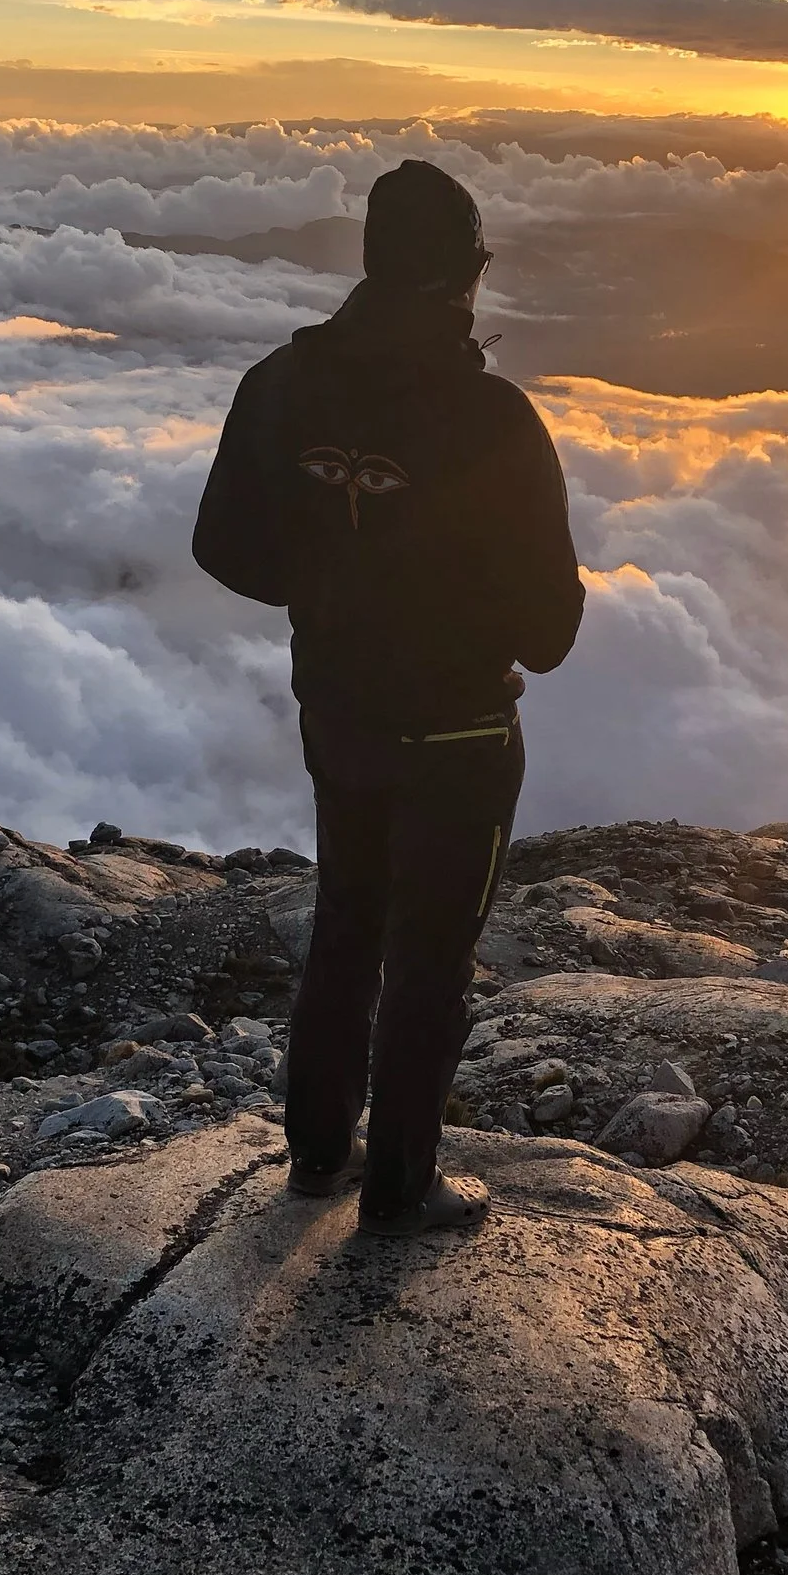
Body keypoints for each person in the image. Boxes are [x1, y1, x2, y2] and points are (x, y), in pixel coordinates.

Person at [193, 159, 583, 1238]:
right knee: (430, 959)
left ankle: (318, 1154)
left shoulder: (280, 384)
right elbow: (548, 634)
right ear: (467, 273)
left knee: (345, 927)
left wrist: (329, 589)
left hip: (337, 712)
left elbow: (219, 545)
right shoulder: (492, 418)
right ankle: (402, 1187)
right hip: (460, 733)